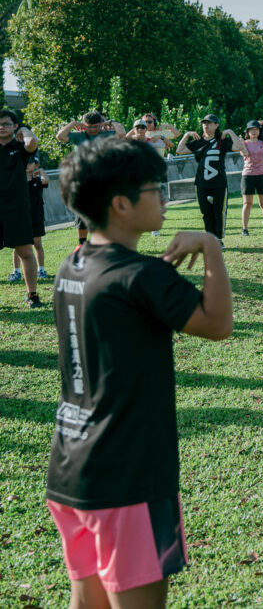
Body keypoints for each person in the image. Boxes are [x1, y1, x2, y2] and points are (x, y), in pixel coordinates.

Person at [48, 136, 232, 608]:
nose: (164, 197)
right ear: (121, 204)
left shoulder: (72, 265)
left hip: (71, 468)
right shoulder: (141, 274)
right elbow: (217, 324)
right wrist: (211, 245)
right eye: (155, 188)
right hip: (128, 475)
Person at [57, 111, 126, 247]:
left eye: (96, 126)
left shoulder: (107, 135)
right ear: (84, 125)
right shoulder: (79, 136)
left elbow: (122, 133)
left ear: (100, 124)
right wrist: (73, 123)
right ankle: (81, 243)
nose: (93, 129)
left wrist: (111, 122)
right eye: (89, 127)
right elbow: (60, 136)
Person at [0, 109, 44, 307]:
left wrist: (24, 130)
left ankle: (32, 296)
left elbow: (32, 143)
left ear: (14, 126)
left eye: (6, 124)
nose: (2, 127)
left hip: (17, 208)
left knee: (25, 251)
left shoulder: (19, 148)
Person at [177, 115, 242, 243]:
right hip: (202, 183)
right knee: (206, 212)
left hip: (219, 183)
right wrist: (187, 135)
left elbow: (239, 147)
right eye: (204, 123)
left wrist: (230, 132)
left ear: (216, 125)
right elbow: (179, 150)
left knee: (219, 212)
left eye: (209, 123)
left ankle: (218, 238)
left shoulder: (222, 141)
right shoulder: (198, 141)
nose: (206, 125)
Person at [11, 156, 50, 282]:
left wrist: (41, 171)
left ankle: (41, 270)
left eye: (31, 162)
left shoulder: (37, 181)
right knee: (19, 246)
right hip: (21, 218)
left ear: (36, 165)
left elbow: (46, 181)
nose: (28, 164)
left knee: (37, 244)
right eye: (26, 161)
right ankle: (16, 271)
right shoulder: (18, 181)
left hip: (36, 216)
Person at [239, 120, 263, 236]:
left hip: (262, 175)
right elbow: (245, 154)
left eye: (256, 129)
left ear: (259, 131)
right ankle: (244, 229)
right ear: (247, 131)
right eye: (251, 129)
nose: (254, 131)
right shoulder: (244, 143)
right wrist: (240, 143)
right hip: (248, 175)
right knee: (247, 203)